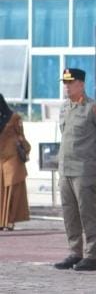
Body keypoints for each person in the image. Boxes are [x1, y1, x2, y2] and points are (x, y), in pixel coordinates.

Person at [53, 68, 96, 271]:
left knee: (87, 212)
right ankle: (74, 252)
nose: (66, 86)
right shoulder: (64, 107)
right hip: (65, 168)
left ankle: (91, 255)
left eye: (70, 82)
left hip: (84, 169)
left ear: (81, 84)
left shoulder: (93, 107)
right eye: (65, 83)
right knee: (69, 213)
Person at [0, 94, 30, 231]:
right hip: (1, 159)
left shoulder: (14, 118)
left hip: (12, 158)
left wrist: (24, 147)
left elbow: (22, 137)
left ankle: (9, 221)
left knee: (12, 189)